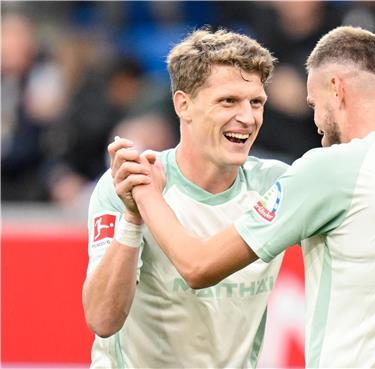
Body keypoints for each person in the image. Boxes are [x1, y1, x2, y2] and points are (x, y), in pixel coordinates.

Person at [113, 26, 375, 367]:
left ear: (337, 89)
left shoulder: (333, 169)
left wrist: (145, 194)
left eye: (313, 104)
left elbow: (197, 266)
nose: (317, 122)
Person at [82, 29, 289, 368]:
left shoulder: (276, 185)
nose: (248, 118)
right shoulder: (130, 181)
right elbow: (102, 320)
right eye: (228, 101)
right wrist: (134, 219)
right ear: (183, 104)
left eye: (256, 102)